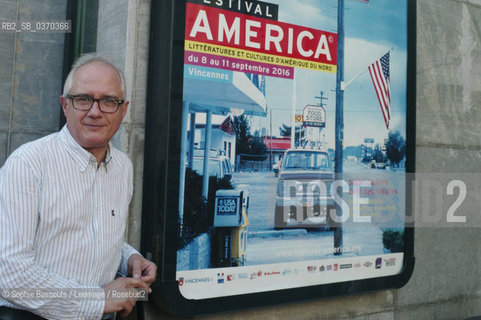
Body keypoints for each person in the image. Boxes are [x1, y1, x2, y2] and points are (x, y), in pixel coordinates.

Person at [0, 53, 157, 319]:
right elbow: (9, 272)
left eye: (108, 101)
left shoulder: (123, 167)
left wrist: (130, 258)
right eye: (83, 99)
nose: (95, 112)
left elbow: (94, 235)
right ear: (64, 105)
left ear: (124, 109)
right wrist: (96, 300)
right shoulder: (28, 164)